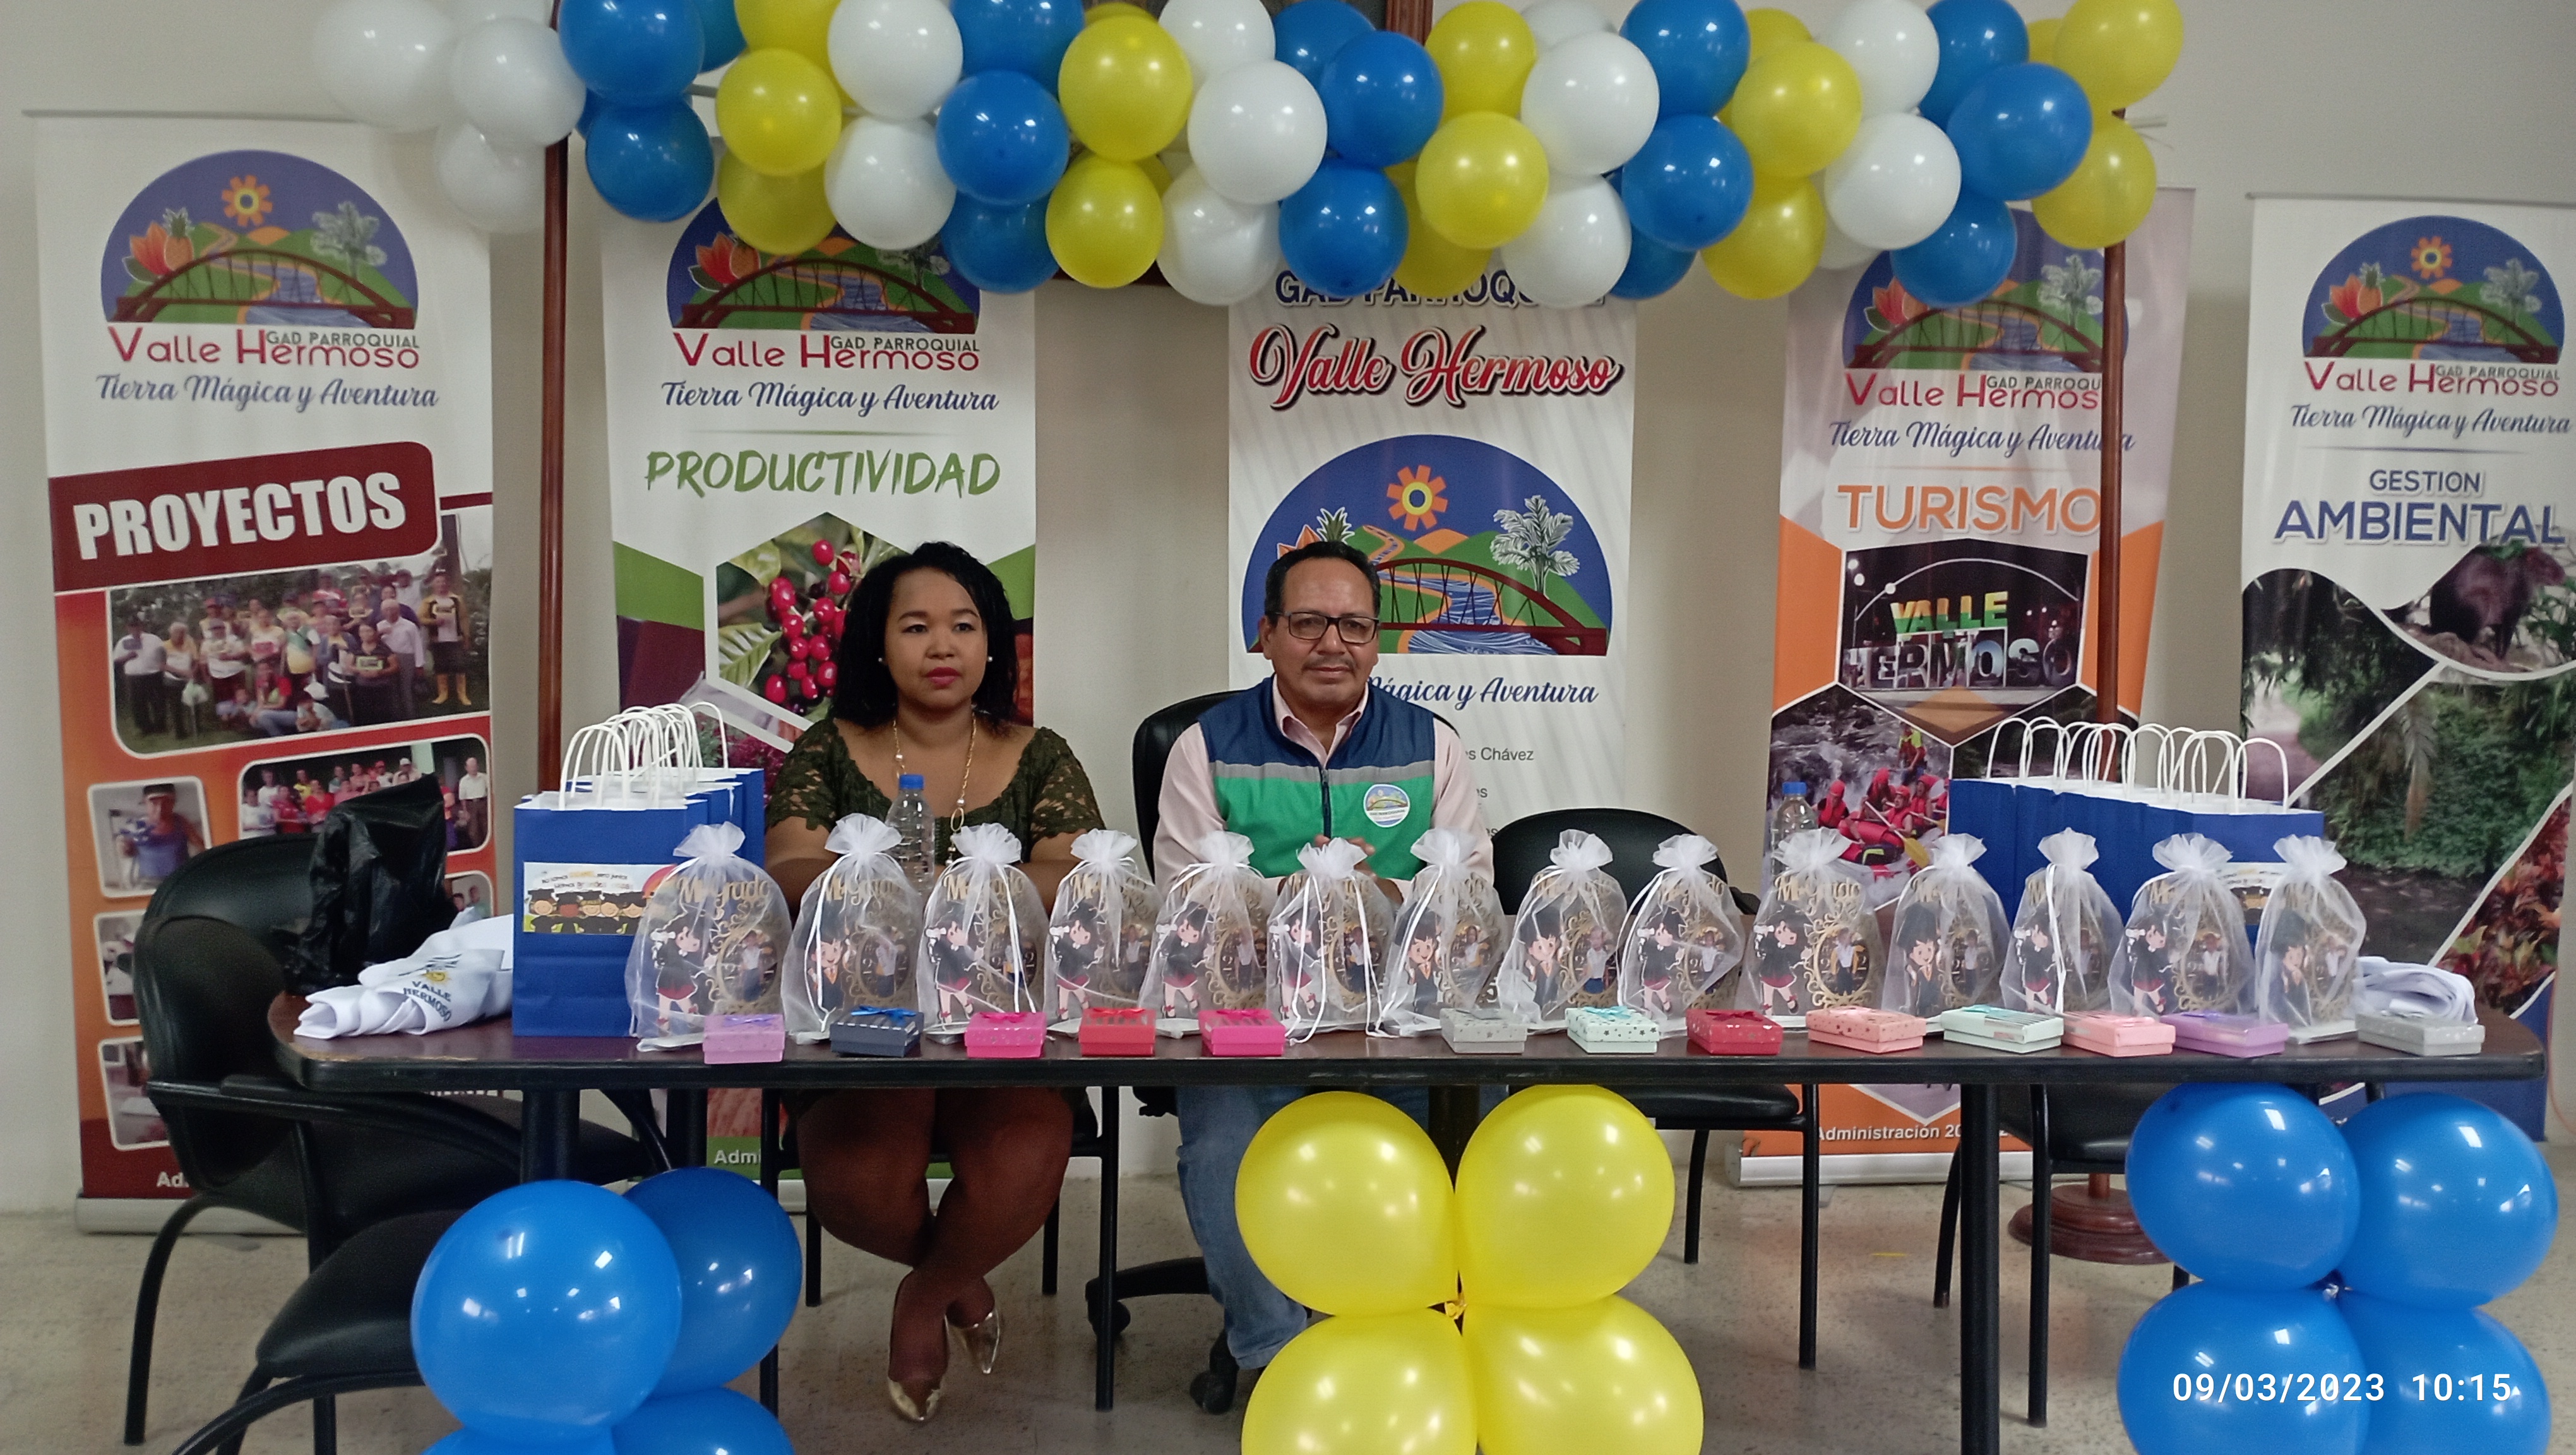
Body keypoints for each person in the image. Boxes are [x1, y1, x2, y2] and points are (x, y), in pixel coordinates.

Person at [763, 541, 1105, 1425]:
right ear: (879, 646)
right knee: (858, 1179)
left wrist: (959, 885)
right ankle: (962, 1280)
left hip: (1006, 1024)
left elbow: (1075, 876)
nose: (943, 645)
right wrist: (877, 880)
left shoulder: (1039, 755)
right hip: (862, 1025)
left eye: (965, 626)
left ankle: (923, 1297)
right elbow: (790, 866)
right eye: (916, 627)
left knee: (1022, 1154)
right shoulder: (830, 747)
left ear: (992, 646)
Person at [1150, 539, 1491, 1396]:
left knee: (1488, 1115)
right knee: (1224, 1144)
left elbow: (1469, 895)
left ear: (1378, 640)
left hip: (1402, 1024)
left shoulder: (1432, 744)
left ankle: (1420, 1332)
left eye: (1354, 625)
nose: (1332, 643)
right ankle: (1276, 1357)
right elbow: (1189, 905)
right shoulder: (1204, 748)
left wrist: (1365, 897)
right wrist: (1317, 899)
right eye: (1307, 623)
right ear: (1266, 634)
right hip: (1253, 1024)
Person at [119, 784, 203, 887]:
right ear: (145, 802)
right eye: (154, 803)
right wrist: (124, 848)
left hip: (179, 880)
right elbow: (128, 853)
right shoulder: (136, 826)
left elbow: (202, 847)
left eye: (167, 802)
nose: (160, 809)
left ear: (173, 803)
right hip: (147, 882)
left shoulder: (181, 822)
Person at [422, 570, 473, 705]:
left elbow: (464, 618)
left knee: (460, 666)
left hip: (456, 639)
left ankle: (462, 695)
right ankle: (443, 694)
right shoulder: (428, 602)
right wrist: (434, 622)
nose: (441, 584)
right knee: (441, 667)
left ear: (448, 583)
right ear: (434, 585)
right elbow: (421, 618)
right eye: (438, 582)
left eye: (444, 581)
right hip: (438, 640)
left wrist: (467, 636)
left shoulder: (457, 600)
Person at [112, 618, 168, 738]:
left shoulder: (153, 639)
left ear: (141, 626)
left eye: (136, 626)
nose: (134, 629)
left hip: (153, 674)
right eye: (131, 627)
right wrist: (128, 657)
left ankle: (160, 727)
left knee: (158, 701)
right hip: (134, 677)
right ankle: (144, 728)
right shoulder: (123, 642)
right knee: (138, 704)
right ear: (128, 628)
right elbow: (116, 660)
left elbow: (164, 652)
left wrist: (163, 664)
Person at [375, 599, 426, 718]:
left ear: (398, 610)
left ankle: (411, 716)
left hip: (406, 658)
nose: (389, 613)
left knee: (407, 688)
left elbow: (417, 645)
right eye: (386, 610)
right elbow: (374, 644)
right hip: (388, 659)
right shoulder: (380, 626)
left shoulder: (409, 625)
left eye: (392, 609)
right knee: (392, 689)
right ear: (382, 612)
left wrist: (419, 665)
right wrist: (379, 634)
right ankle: (397, 717)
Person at [349, 621, 403, 725]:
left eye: (368, 631)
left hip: (381, 688)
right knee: (366, 715)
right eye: (362, 632)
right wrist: (360, 670)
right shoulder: (356, 649)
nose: (365, 634)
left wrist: (381, 672)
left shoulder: (384, 649)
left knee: (383, 715)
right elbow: (349, 665)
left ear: (375, 632)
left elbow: (395, 666)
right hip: (363, 687)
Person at [160, 621, 201, 738]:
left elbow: (196, 661)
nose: (180, 635)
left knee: (194, 704)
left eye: (183, 633)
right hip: (172, 681)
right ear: (171, 633)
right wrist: (180, 672)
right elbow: (162, 665)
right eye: (177, 632)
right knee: (176, 707)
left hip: (189, 680)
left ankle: (196, 727)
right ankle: (180, 732)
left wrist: (193, 672)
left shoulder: (190, 644)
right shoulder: (164, 646)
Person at [455, 755, 490, 847]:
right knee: (473, 831)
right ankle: (478, 847)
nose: (473, 769)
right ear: (466, 768)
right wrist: (465, 811)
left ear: (478, 766)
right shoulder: (463, 781)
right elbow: (462, 798)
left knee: (486, 828)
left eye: (474, 766)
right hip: (471, 805)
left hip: (484, 803)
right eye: (471, 767)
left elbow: (491, 792)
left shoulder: (485, 777)